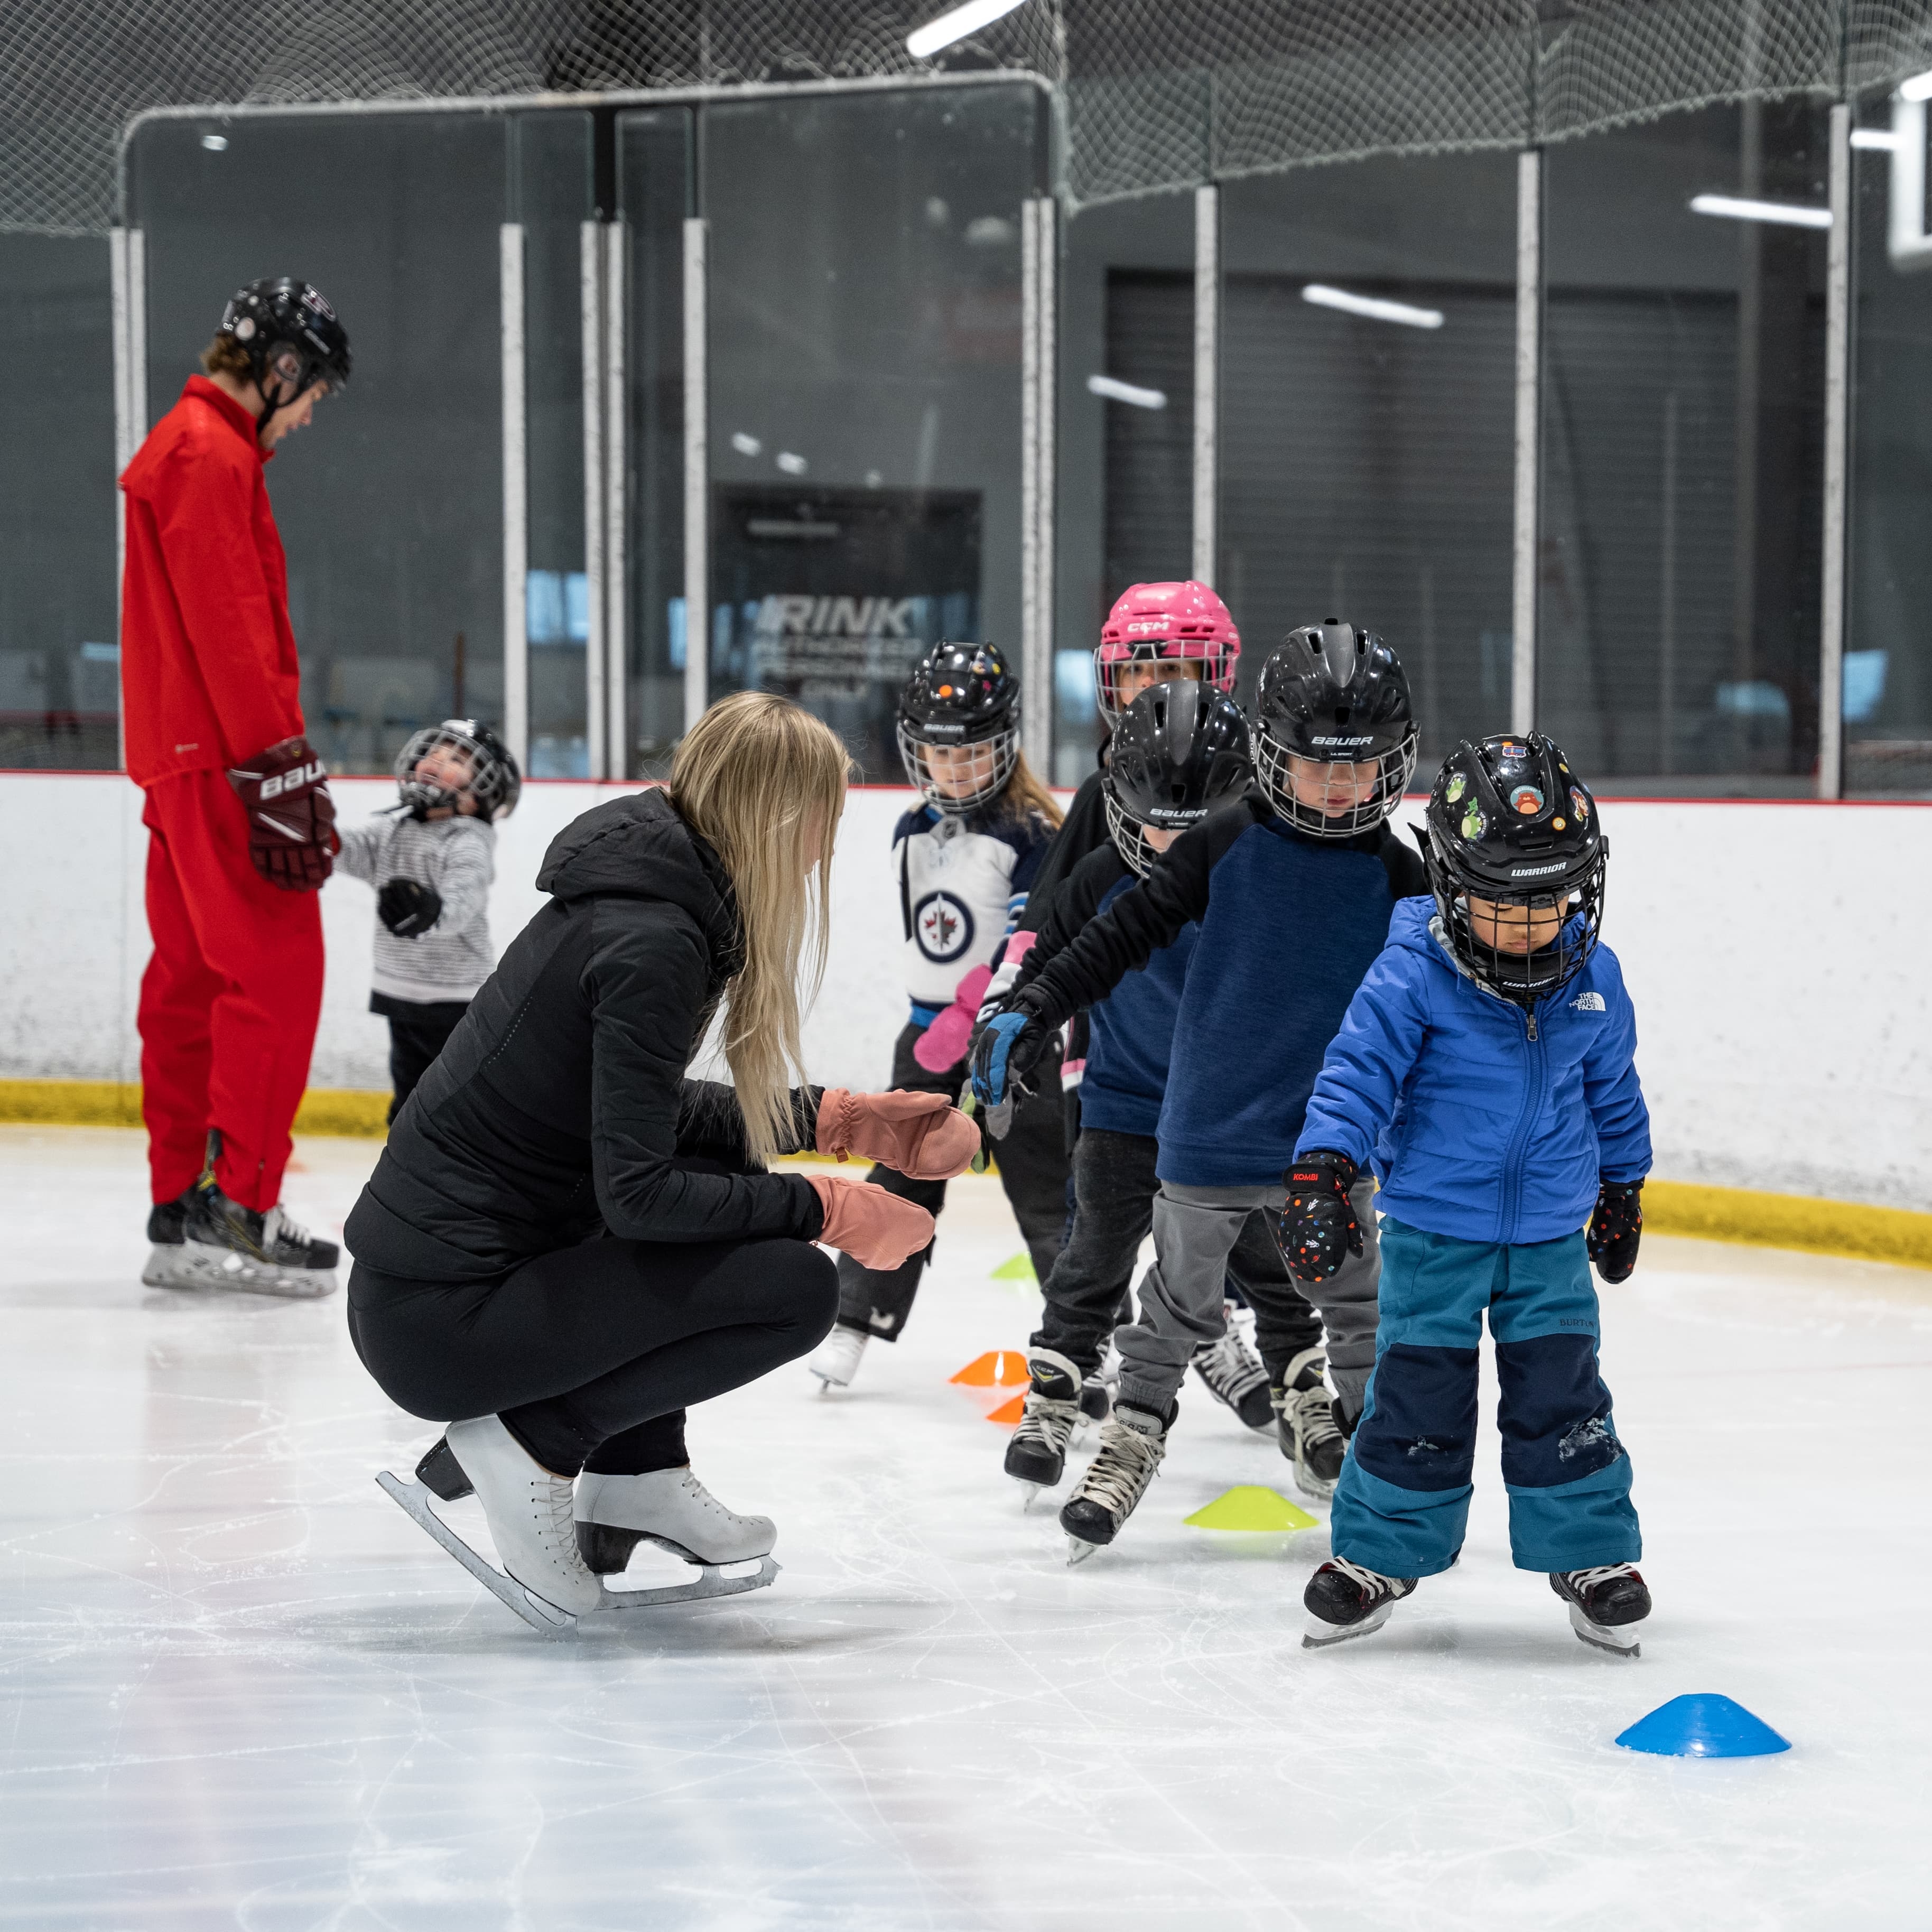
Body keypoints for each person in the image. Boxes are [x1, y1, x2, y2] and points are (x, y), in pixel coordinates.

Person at [343, 693, 977, 1622]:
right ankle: (535, 1444)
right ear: (779, 817)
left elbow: (640, 1111)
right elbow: (640, 1194)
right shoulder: (653, 940)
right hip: (441, 1319)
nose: (818, 854)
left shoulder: (655, 903)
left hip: (449, 1293)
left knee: (730, 1187)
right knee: (794, 1287)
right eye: (820, 828)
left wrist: (840, 1117)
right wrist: (830, 1209)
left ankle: (637, 1474)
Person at [973, 619, 1425, 1558]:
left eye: (1362, 766)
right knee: (1175, 1312)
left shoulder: (1396, 874)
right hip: (1201, 1143)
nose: (1341, 789)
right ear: (1272, 756)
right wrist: (1038, 1003)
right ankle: (1128, 1443)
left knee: (1355, 1313)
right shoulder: (1225, 841)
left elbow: (1442, 1005)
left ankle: (1380, 1480)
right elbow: (1120, 930)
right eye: (1317, 765)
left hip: (1326, 1154)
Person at [1287, 733, 1653, 1656]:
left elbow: (1614, 1089)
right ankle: (1380, 1552)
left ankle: (1590, 1550)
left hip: (1547, 1239)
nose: (1531, 924)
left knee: (1565, 1398)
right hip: (1433, 1234)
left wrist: (1625, 1184)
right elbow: (1357, 1073)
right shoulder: (1412, 971)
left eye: (1549, 899)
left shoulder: (1593, 977)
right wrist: (1325, 1171)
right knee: (1415, 1398)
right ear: (1450, 883)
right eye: (1503, 901)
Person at [1002, 682, 1339, 1509]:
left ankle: (1302, 1389)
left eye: (1189, 833)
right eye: (1151, 822)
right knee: (1093, 1258)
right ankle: (1055, 1394)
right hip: (1125, 1111)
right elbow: (1046, 968)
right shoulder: (1096, 880)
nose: (1164, 847)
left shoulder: (1270, 884)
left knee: (1274, 1261)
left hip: (1238, 1121)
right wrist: (1014, 1028)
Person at [123, 277, 352, 1298]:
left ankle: (181, 1206)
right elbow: (231, 627)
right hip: (222, 756)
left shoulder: (188, 446)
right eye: (313, 394)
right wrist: (280, 767)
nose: (308, 416)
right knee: (276, 974)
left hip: (180, 758)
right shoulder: (210, 453)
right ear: (283, 366)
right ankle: (243, 1203)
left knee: (187, 984)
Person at [806, 640, 1070, 1391]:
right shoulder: (909, 831)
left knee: (1044, 1189)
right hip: (925, 1038)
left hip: (1014, 1041)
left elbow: (1032, 939)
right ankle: (855, 1322)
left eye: (971, 755)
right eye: (937, 755)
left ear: (1006, 745)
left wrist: (994, 1011)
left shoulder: (1029, 835)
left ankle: (1084, 1344)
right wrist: (937, 1018)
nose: (953, 771)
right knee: (896, 1180)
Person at [336, 719, 522, 1124]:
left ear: (479, 796)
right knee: (408, 1099)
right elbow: (345, 849)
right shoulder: (391, 830)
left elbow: (463, 900)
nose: (437, 758)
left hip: (456, 1000)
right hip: (400, 991)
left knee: (457, 1102)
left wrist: (433, 912)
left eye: (456, 758)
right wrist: (311, 832)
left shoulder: (468, 838)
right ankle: (408, 1169)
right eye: (434, 752)